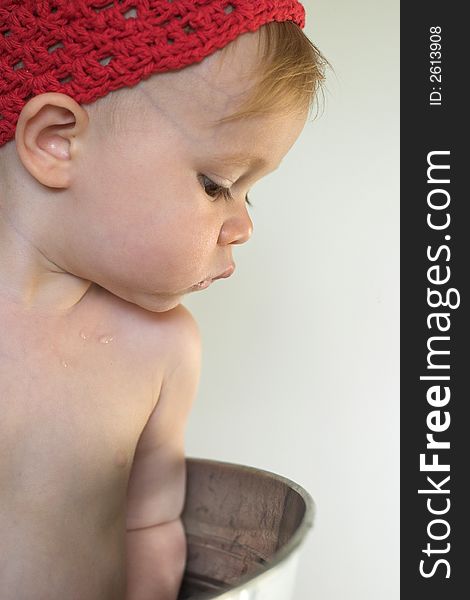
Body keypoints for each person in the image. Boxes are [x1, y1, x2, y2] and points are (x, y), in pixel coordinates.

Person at [0, 1, 327, 598]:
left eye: (249, 197)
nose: (243, 227)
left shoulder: (160, 349)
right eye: (218, 185)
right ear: (55, 143)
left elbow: (150, 522)